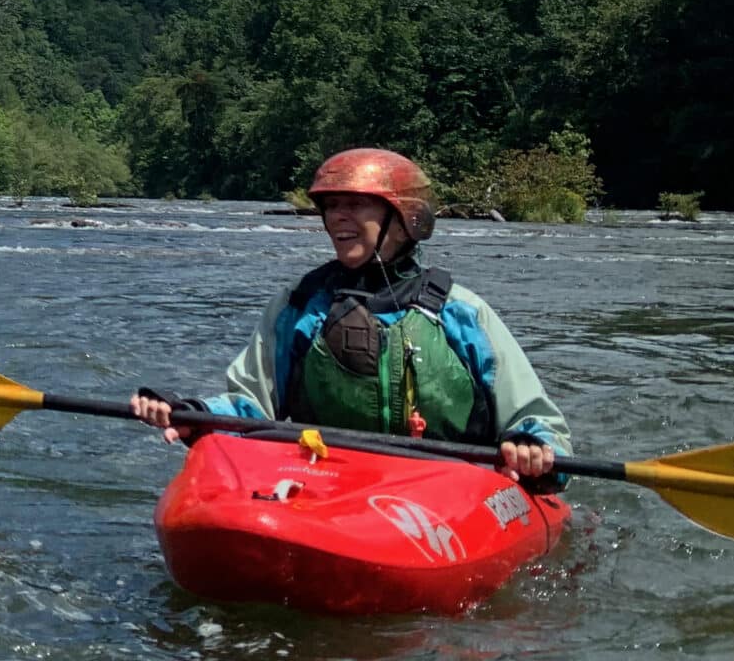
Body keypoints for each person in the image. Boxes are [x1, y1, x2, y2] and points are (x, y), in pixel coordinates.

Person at [131, 147, 567, 482]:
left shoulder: (460, 313)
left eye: (356, 204)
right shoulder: (300, 306)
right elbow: (250, 406)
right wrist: (195, 412)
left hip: (449, 484)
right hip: (329, 478)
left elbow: (536, 420)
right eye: (331, 205)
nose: (338, 216)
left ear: (403, 219)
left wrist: (531, 446)